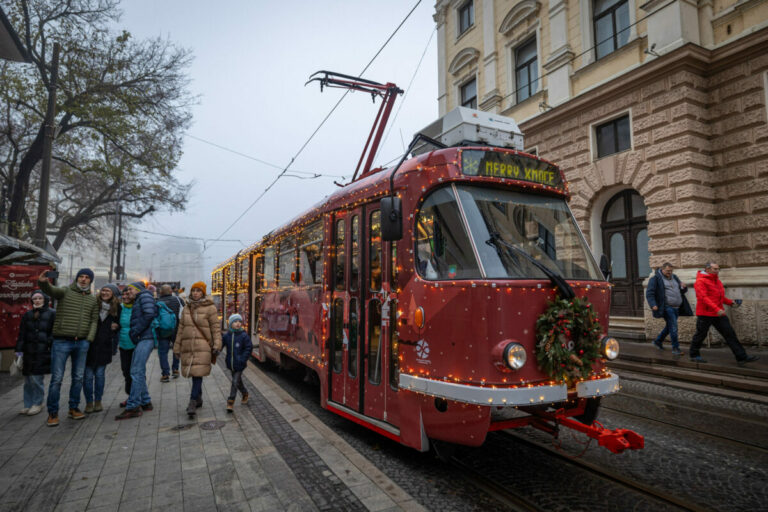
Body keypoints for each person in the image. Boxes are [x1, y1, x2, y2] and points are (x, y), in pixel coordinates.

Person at [38, 268, 98, 427]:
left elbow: (94, 320)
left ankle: (74, 408)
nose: (84, 279)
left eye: (87, 277)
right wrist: (43, 282)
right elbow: (50, 290)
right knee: (57, 379)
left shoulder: (92, 299)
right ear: (77, 278)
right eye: (81, 277)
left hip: (82, 343)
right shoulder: (65, 291)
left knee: (78, 377)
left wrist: (89, 338)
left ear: (90, 280)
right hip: (62, 341)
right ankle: (53, 412)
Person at [689, 262, 760, 366]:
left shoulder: (717, 281)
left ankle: (741, 357)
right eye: (715, 269)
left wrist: (730, 302)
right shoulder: (700, 281)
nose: (717, 271)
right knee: (700, 335)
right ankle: (694, 355)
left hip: (718, 313)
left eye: (718, 269)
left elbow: (720, 297)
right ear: (708, 269)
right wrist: (717, 309)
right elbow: (703, 298)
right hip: (705, 313)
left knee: (730, 334)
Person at [174, 281, 221, 416]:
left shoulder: (210, 308)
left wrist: (217, 345)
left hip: (203, 347)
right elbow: (180, 329)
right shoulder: (186, 308)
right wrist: (177, 347)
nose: (195, 293)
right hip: (188, 347)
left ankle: (192, 401)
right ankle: (199, 397)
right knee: (195, 373)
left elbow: (215, 329)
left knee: (197, 374)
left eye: (198, 291)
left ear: (203, 293)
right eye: (194, 290)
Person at [115, 282, 158, 420]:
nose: (129, 291)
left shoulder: (144, 296)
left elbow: (149, 314)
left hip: (146, 337)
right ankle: (145, 402)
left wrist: (136, 331)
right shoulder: (141, 298)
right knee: (138, 370)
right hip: (144, 337)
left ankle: (133, 406)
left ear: (137, 289)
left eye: (131, 289)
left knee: (136, 371)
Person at [15, 290, 54, 416]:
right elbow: (22, 334)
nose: (37, 301)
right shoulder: (27, 315)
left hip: (43, 351)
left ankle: (37, 403)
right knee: (27, 380)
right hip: (28, 351)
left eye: (40, 298)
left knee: (37, 378)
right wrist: (19, 350)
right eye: (35, 299)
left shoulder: (52, 313)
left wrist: (48, 342)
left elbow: (55, 332)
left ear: (45, 300)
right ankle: (28, 404)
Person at [83, 284, 121, 413]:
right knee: (88, 376)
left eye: (108, 291)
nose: (105, 293)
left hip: (104, 345)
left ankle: (98, 401)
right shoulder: (93, 304)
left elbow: (120, 324)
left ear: (113, 294)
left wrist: (115, 329)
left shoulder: (117, 308)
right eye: (103, 290)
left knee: (99, 375)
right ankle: (89, 402)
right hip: (89, 344)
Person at [645, 262, 692, 356]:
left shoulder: (675, 277)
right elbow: (650, 293)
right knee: (674, 327)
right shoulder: (655, 279)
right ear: (662, 270)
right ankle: (675, 348)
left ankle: (658, 341)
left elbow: (681, 290)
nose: (669, 272)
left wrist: (684, 287)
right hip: (667, 307)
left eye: (671, 271)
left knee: (670, 326)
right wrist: (653, 304)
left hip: (677, 307)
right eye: (667, 271)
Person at [221, 314, 252, 412]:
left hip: (240, 364)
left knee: (234, 382)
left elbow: (248, 348)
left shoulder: (243, 335)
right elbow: (220, 345)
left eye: (239, 321)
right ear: (230, 324)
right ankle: (245, 393)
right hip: (231, 364)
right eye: (235, 322)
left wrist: (243, 359)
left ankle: (230, 401)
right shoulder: (227, 336)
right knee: (238, 382)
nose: (238, 323)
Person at [157, 284, 183, 381]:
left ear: (161, 292)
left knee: (163, 352)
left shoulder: (157, 302)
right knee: (176, 350)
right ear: (171, 291)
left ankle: (165, 374)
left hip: (163, 331)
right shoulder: (178, 300)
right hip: (176, 330)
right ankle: (175, 369)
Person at [117, 287, 134, 407]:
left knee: (136, 373)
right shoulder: (120, 308)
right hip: (123, 344)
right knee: (126, 371)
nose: (126, 297)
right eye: (124, 295)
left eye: (128, 294)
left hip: (136, 345)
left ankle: (136, 398)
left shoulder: (137, 308)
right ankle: (131, 396)